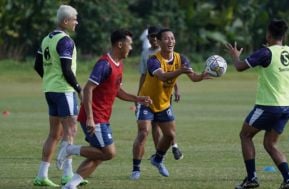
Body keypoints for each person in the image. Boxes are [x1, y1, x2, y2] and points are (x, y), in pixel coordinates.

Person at [57, 29, 152, 189]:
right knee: (109, 153)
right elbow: (88, 89)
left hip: (103, 117)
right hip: (95, 116)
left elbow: (117, 91)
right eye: (130, 44)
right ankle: (69, 149)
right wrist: (90, 118)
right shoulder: (104, 64)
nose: (131, 48)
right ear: (120, 44)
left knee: (99, 155)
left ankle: (70, 185)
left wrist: (137, 99)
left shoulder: (119, 64)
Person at [225, 19, 289, 189]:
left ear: (268, 35)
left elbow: (240, 67)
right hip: (286, 107)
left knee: (245, 135)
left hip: (268, 106)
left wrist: (235, 56)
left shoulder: (266, 53)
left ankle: (252, 178)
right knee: (270, 143)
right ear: (283, 35)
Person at [130, 28, 210, 180]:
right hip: (147, 101)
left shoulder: (181, 58)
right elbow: (163, 77)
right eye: (166, 39)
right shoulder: (153, 60)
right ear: (159, 42)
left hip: (164, 103)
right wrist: (180, 71)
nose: (170, 41)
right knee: (143, 132)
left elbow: (192, 77)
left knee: (170, 135)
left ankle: (157, 159)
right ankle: (136, 169)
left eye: (172, 38)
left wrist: (202, 76)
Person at [33, 5, 86, 187]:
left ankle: (42, 175)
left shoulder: (46, 39)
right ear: (65, 21)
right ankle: (67, 175)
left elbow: (37, 66)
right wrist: (79, 89)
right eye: (74, 19)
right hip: (64, 91)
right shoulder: (65, 41)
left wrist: (49, 79)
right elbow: (66, 70)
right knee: (70, 131)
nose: (76, 22)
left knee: (55, 134)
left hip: (50, 90)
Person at [138, 26, 183, 160]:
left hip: (164, 94)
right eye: (151, 36)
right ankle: (160, 153)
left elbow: (172, 73)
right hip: (150, 94)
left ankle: (174, 145)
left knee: (167, 123)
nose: (153, 39)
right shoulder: (146, 54)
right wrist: (139, 95)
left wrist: (176, 89)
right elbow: (143, 75)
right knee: (154, 125)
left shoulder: (165, 51)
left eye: (155, 36)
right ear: (149, 38)